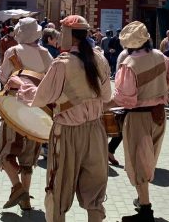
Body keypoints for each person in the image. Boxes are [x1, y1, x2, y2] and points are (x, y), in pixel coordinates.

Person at [30, 15, 112, 222]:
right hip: (95, 130)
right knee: (94, 189)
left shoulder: (62, 63)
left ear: (68, 34)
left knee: (58, 186)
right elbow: (107, 96)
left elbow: (41, 97)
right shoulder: (99, 58)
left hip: (66, 132)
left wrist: (23, 88)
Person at [107, 21, 169, 221]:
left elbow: (123, 99)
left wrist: (101, 105)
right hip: (159, 115)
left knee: (138, 163)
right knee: (149, 161)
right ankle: (142, 202)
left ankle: (146, 210)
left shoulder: (129, 64)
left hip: (138, 117)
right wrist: (159, 91)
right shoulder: (161, 56)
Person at [0, 17, 54, 211]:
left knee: (5, 151)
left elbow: (4, 77)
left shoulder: (13, 51)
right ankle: (25, 199)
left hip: (15, 107)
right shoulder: (46, 54)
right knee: (28, 157)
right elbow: (50, 81)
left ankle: (17, 187)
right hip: (38, 111)